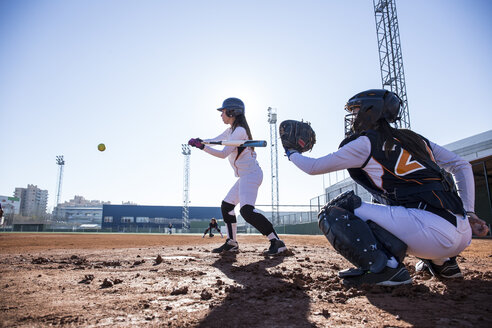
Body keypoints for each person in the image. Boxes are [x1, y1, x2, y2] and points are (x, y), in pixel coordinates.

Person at [282, 89, 489, 286]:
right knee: (383, 200)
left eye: (355, 112)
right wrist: (469, 211)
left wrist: (291, 152)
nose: (352, 118)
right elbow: (461, 165)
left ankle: (386, 269)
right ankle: (444, 263)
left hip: (432, 234)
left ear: (370, 112)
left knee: (334, 210)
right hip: (461, 232)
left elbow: (314, 167)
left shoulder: (366, 142)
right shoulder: (414, 138)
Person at [188, 97, 287, 255]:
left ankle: (276, 241)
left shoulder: (240, 131)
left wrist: (202, 148)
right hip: (245, 176)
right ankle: (232, 242)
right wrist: (202, 141)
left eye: (223, 111)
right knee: (227, 206)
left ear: (233, 112)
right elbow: (216, 141)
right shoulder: (231, 130)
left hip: (251, 174)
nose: (221, 115)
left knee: (246, 211)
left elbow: (223, 153)